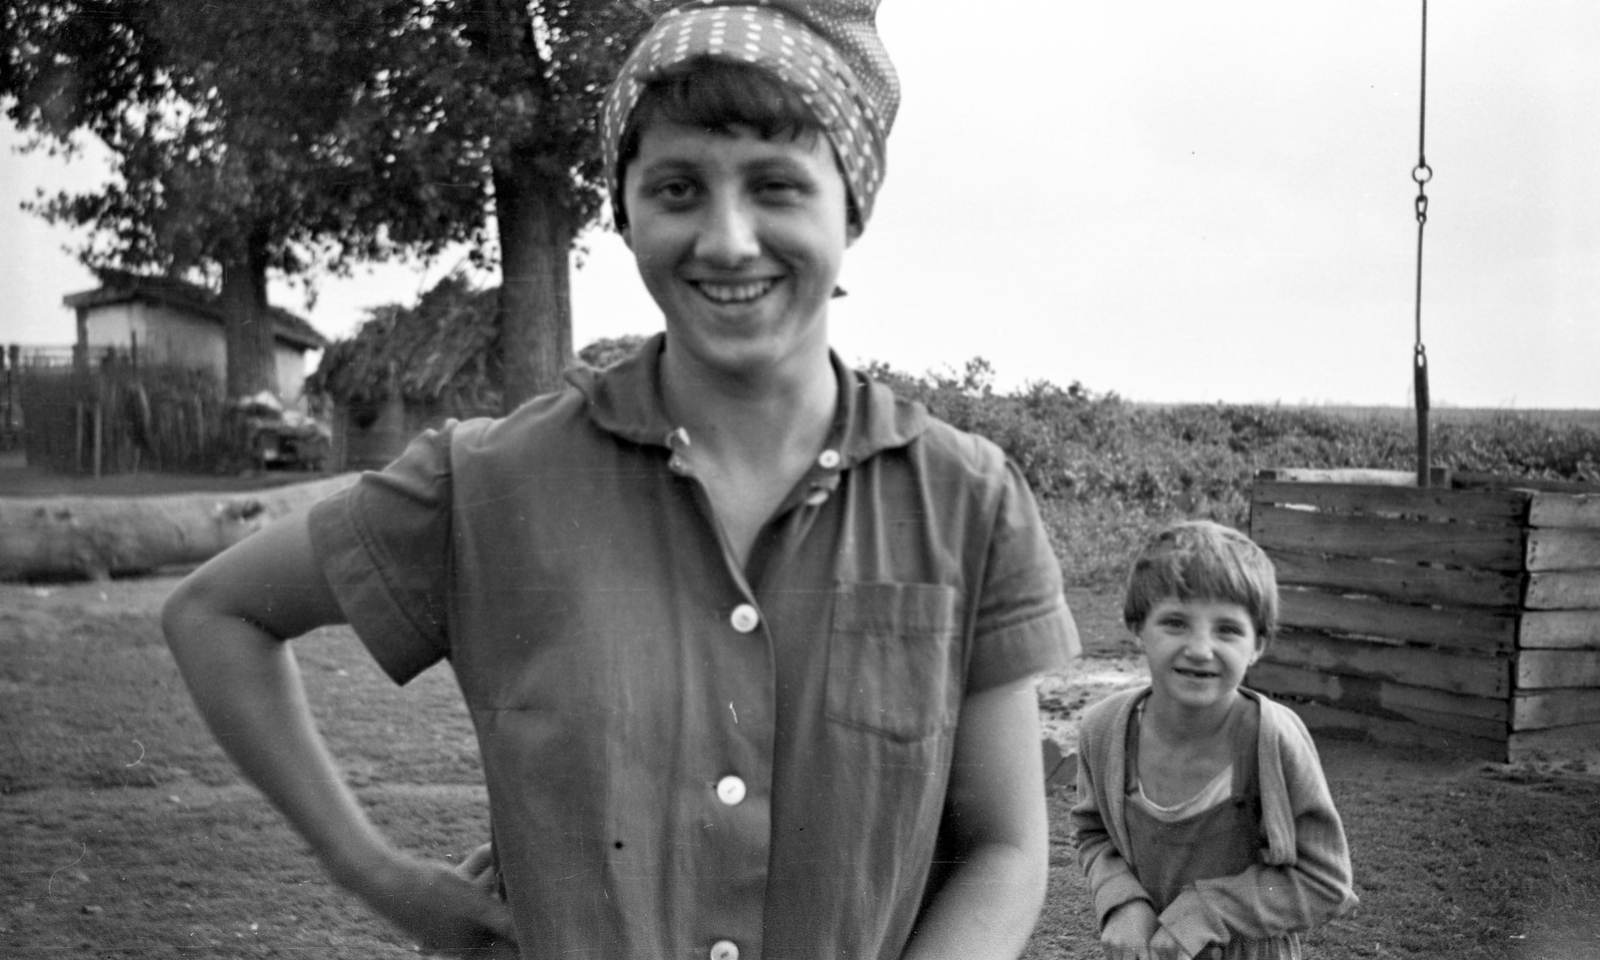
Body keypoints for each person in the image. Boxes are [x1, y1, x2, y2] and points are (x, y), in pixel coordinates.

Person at [161, 2, 1079, 958]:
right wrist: (381, 875)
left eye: (777, 186)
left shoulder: (966, 501)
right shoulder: (490, 483)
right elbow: (216, 614)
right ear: (623, 208)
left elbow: (1005, 846)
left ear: (852, 204)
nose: (727, 239)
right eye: (678, 188)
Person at [1069, 521, 1357, 960]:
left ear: (1258, 644)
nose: (1201, 648)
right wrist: (1122, 901)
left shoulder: (1272, 738)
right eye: (1175, 623)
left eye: (1227, 630)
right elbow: (1093, 833)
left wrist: (1205, 911)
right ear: (1137, 627)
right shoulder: (1103, 730)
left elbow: (1325, 880)